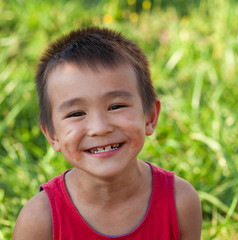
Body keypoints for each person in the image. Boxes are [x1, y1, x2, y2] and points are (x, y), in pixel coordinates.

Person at [13, 26, 202, 240]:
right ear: (52, 135)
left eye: (116, 106)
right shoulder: (39, 221)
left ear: (150, 117)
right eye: (76, 113)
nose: (100, 128)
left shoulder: (179, 203)